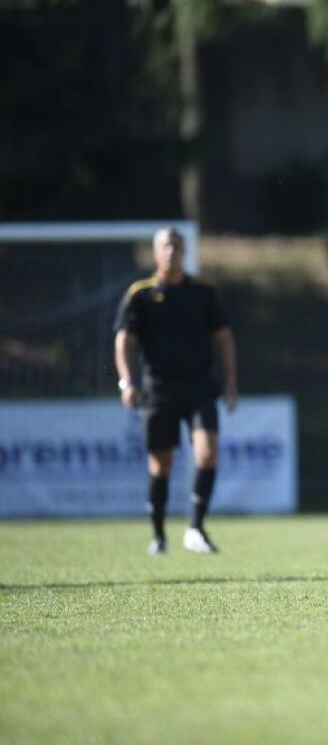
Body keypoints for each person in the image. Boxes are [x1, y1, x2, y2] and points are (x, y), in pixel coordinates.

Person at [114, 226, 239, 556]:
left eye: (177, 246)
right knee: (161, 465)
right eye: (166, 246)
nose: (172, 251)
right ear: (156, 252)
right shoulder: (140, 294)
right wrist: (127, 382)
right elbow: (123, 340)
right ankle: (158, 536)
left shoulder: (204, 291)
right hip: (158, 391)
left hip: (199, 387)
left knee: (208, 452)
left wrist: (230, 380)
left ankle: (195, 528)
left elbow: (223, 337)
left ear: (185, 252)